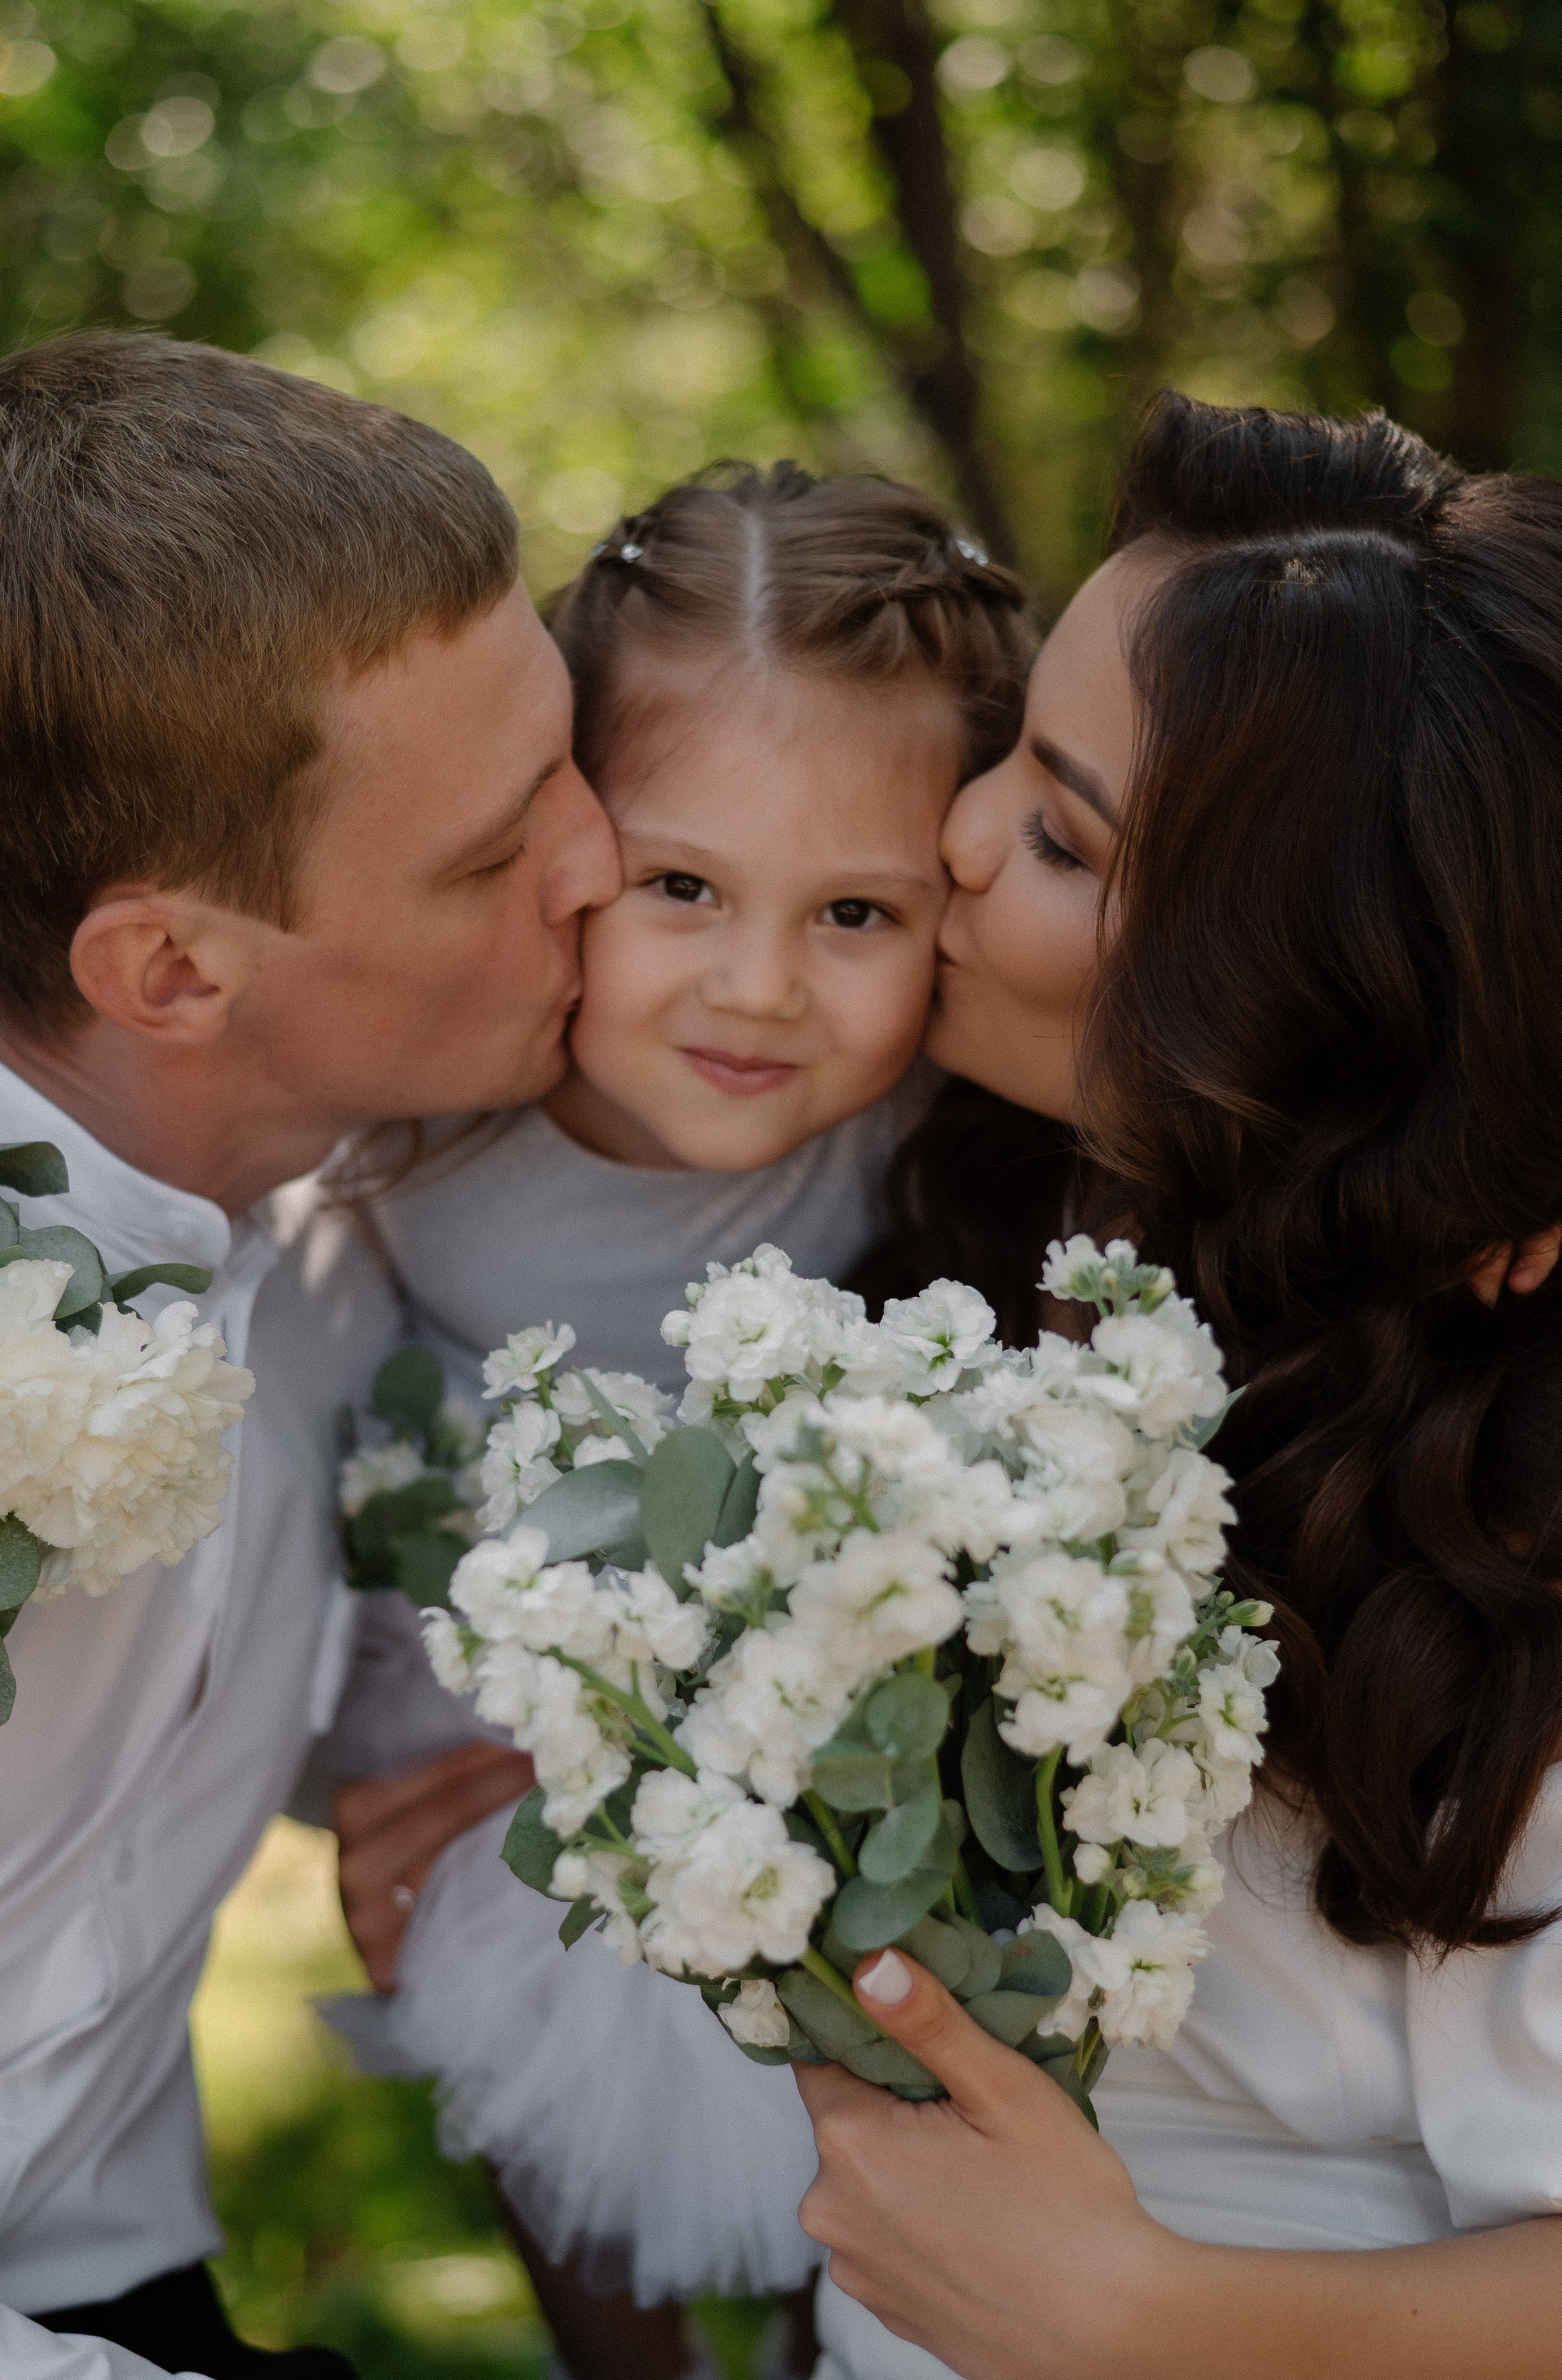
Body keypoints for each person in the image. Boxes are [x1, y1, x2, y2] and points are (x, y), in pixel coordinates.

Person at [791, 393, 1562, 2378]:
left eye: (1062, 833)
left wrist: (1144, 2325)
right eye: (1008, 766)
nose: (951, 843)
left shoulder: (1528, 1533)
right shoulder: (948, 1203)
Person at [319, 463, 1033, 2380]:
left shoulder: (939, 1148)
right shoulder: (415, 1128)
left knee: (881, 2235)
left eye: (857, 911)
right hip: (507, 1747)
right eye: (684, 885)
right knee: (562, 2128)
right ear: (566, 848)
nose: (760, 989)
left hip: (856, 1770)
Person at [0, 331, 613, 2380]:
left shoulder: (356, 1241)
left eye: (573, 765)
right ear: (169, 968)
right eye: (492, 852)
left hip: (124, 2279)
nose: (601, 868)